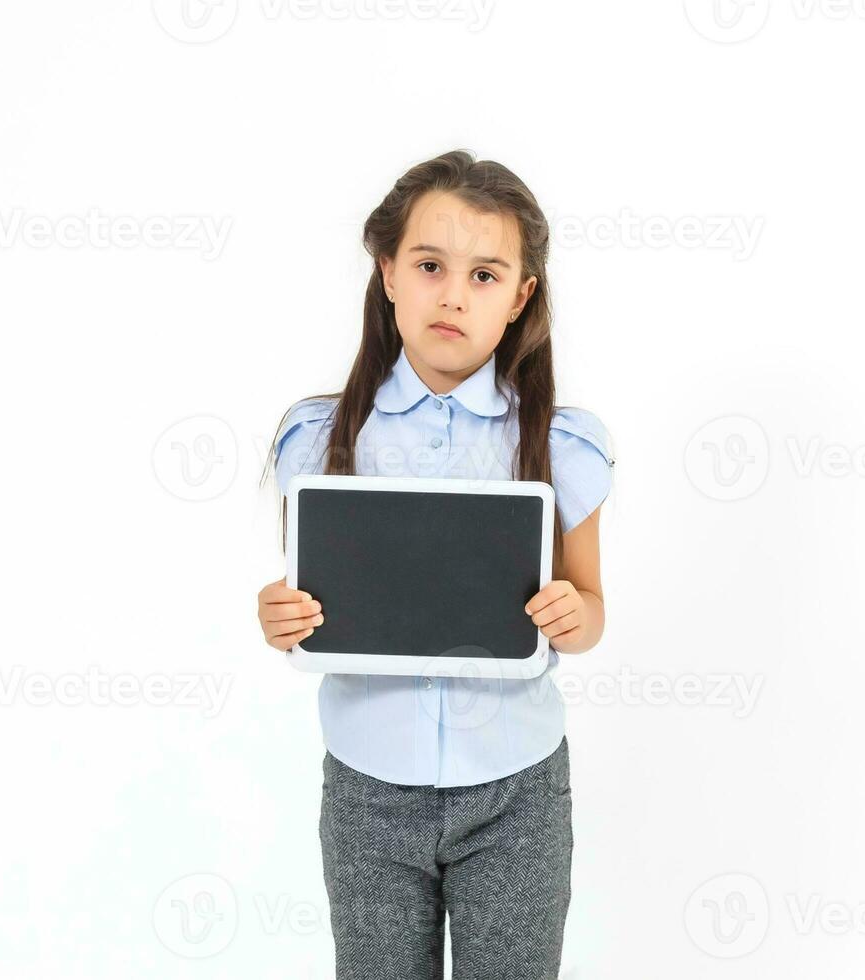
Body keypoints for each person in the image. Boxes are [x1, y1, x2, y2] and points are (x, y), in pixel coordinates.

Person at [256, 149, 614, 979]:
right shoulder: (319, 438)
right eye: (429, 266)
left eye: (485, 275)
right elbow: (305, 602)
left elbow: (591, 610)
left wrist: (574, 613)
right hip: (367, 791)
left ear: (521, 296)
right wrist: (276, 614)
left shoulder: (559, 444)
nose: (453, 294)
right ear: (388, 272)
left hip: (516, 792)